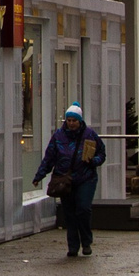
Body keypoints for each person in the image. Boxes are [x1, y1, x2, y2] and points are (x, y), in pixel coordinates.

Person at [34, 103, 104, 258]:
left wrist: (93, 161)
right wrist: (40, 175)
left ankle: (86, 241)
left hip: (86, 178)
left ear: (80, 121)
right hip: (64, 180)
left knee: (83, 209)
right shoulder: (58, 136)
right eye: (69, 120)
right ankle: (73, 246)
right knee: (70, 213)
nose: (71, 123)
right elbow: (49, 157)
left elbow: (101, 153)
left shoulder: (89, 134)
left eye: (74, 120)